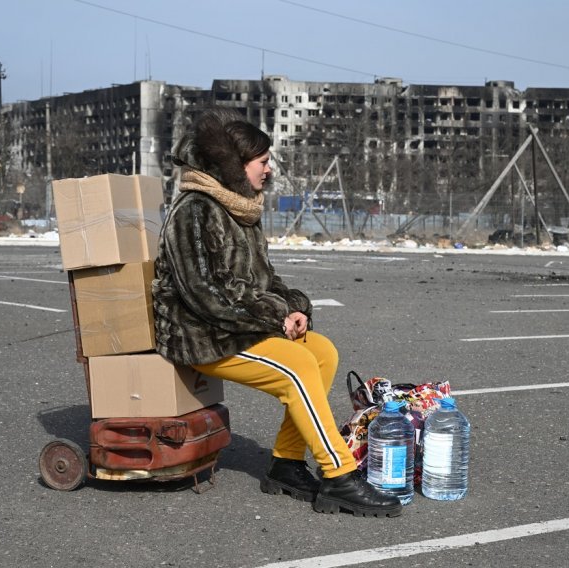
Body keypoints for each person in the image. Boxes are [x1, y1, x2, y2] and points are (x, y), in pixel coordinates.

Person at [152, 107, 401, 518]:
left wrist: (293, 307)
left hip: (234, 327)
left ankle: (285, 464)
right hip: (200, 334)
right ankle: (339, 475)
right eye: (263, 162)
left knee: (322, 353)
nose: (269, 170)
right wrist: (273, 317)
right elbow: (204, 294)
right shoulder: (195, 210)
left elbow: (262, 280)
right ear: (235, 165)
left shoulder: (238, 208)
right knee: (299, 368)